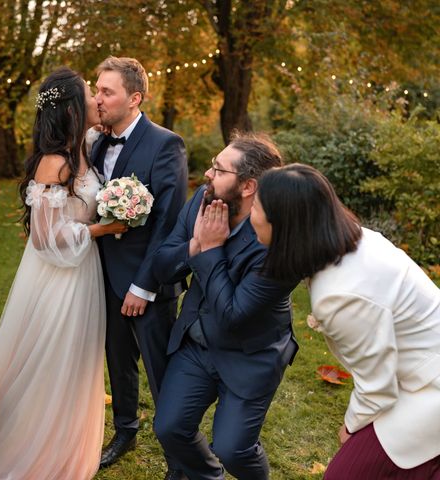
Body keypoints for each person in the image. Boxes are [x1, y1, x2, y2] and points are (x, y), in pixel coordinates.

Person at [0, 67, 126, 480]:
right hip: (58, 279)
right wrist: (101, 229)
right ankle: (31, 451)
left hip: (83, 272)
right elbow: (44, 238)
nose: (97, 102)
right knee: (51, 361)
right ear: (73, 110)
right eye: (91, 95)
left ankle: (65, 445)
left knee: (77, 364)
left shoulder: (88, 145)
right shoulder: (54, 164)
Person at [250, 163, 440, 479]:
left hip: (430, 388)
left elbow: (378, 387)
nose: (250, 212)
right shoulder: (357, 240)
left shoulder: (339, 295)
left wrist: (350, 426)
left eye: (256, 205)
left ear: (283, 224)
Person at [152, 133, 299, 480]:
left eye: (219, 169)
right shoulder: (203, 202)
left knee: (233, 450)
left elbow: (234, 314)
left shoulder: (278, 239)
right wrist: (194, 246)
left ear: (248, 186)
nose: (207, 174)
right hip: (198, 344)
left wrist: (211, 250)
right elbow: (161, 266)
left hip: (250, 352)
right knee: (169, 428)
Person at [91, 56, 188, 477]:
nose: (97, 98)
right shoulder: (96, 143)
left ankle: (178, 456)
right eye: (96, 89)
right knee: (118, 362)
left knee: (161, 369)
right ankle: (125, 430)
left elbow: (168, 223)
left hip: (149, 283)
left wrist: (143, 286)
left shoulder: (166, 144)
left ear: (134, 98)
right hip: (104, 277)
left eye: (106, 91)